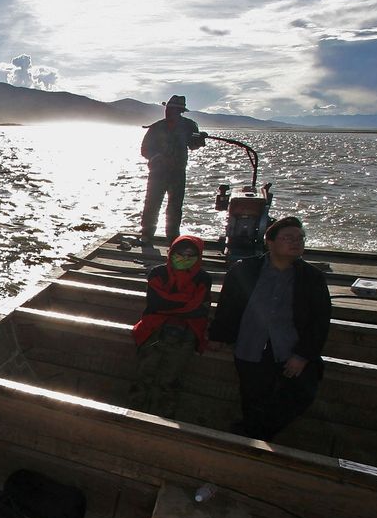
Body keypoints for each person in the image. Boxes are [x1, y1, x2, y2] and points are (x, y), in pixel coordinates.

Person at [208, 216, 332, 441]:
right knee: (252, 398)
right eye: (288, 238)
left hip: (289, 349)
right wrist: (217, 336)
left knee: (300, 394)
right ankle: (252, 439)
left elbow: (319, 320)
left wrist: (302, 355)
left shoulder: (312, 278)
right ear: (270, 242)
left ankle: (254, 433)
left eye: (300, 238)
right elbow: (228, 306)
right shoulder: (245, 269)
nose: (296, 242)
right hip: (251, 346)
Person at [129, 235, 212, 417]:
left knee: (170, 380)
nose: (185, 258)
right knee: (144, 374)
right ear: (171, 253)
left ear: (199, 257)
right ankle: (135, 412)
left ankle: (164, 417)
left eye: (190, 255)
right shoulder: (158, 272)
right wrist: (185, 303)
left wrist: (171, 303)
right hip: (154, 330)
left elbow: (199, 309)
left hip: (186, 334)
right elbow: (156, 302)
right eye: (180, 253)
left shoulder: (203, 278)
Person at [139, 95, 206, 245]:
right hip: (157, 173)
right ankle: (146, 235)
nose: (169, 112)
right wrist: (156, 157)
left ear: (180, 111)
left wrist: (200, 140)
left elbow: (193, 145)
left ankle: (173, 238)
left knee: (175, 207)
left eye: (173, 109)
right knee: (151, 204)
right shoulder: (156, 127)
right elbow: (144, 149)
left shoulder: (189, 126)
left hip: (178, 173)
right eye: (168, 109)